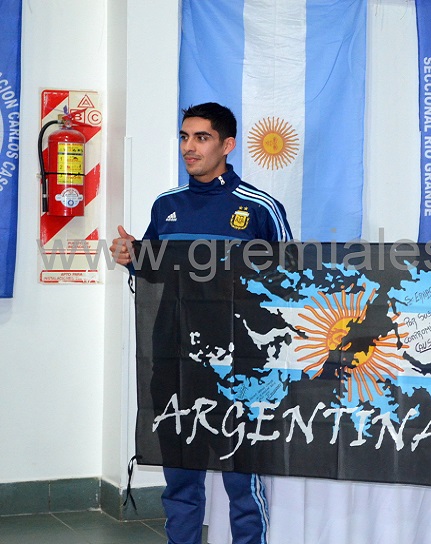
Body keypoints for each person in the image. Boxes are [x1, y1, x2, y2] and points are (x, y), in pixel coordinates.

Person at [111, 102, 291, 544]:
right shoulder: (167, 205)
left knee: (241, 480)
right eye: (184, 137)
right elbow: (155, 269)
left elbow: (289, 283)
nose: (189, 148)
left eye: (201, 138)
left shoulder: (261, 207)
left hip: (238, 367)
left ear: (227, 145)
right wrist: (132, 256)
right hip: (173, 360)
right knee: (181, 480)